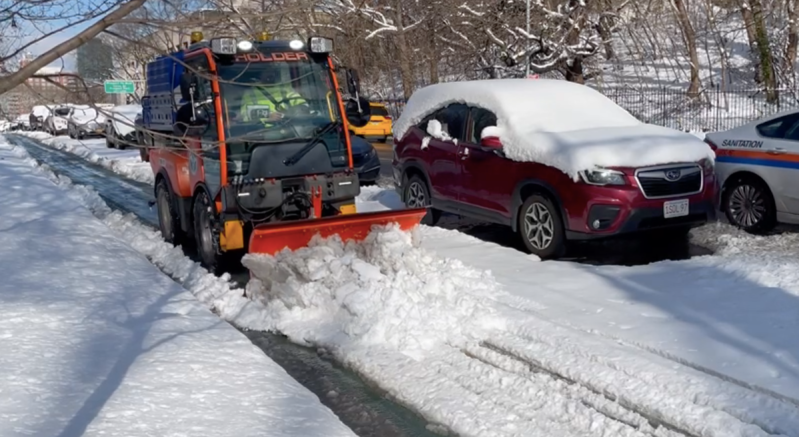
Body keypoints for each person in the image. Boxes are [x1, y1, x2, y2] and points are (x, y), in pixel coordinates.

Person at [237, 70, 307, 124]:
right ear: (260, 75)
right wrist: (267, 116)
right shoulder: (251, 92)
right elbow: (245, 113)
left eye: (273, 72)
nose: (271, 75)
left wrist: (292, 112)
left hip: (289, 128)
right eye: (267, 72)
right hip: (263, 132)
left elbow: (301, 104)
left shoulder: (284, 89)